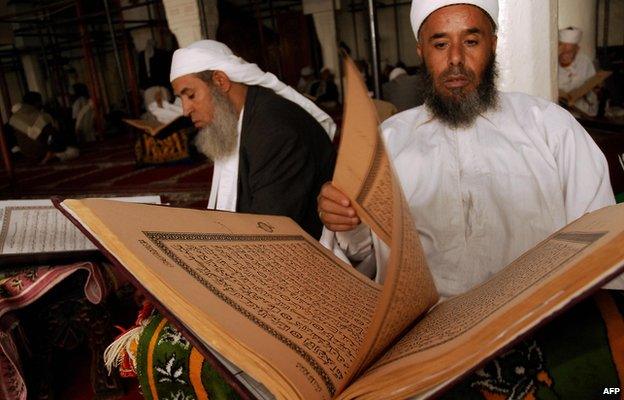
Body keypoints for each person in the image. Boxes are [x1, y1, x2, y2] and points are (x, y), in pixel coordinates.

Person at [318, 0, 620, 298]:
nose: (455, 59)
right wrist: (346, 221)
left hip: (539, 326)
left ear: (493, 45)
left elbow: (601, 246)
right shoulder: (386, 143)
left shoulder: (551, 128)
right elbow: (363, 261)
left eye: (471, 41)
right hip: (423, 334)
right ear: (421, 51)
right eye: (440, 45)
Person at [170, 39, 337, 239]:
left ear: (220, 82)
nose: (185, 110)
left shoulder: (274, 129)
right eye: (180, 99)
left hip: (307, 256)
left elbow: (268, 231)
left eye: (190, 95)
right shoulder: (243, 117)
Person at [9, 91, 79, 164]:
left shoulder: (13, 118)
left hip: (24, 152)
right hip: (41, 150)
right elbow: (53, 137)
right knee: (74, 151)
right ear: (37, 102)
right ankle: (52, 156)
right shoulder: (41, 116)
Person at [558, 27, 599, 116]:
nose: (565, 56)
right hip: (560, 111)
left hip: (582, 111)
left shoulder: (584, 61)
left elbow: (593, 84)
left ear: (577, 50)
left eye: (570, 52)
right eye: (562, 51)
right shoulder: (552, 64)